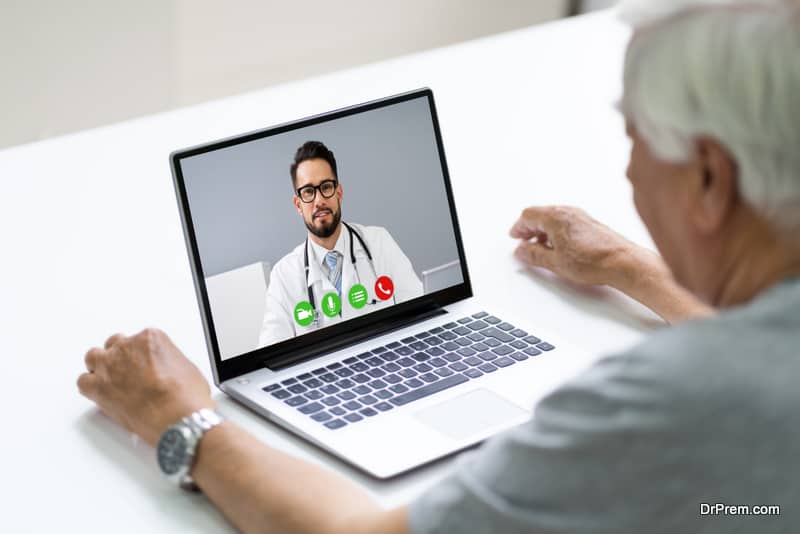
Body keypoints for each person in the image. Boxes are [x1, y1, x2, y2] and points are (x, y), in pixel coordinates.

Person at [77, 1, 800, 532]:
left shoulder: (658, 408)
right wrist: (630, 267)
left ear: (709, 180)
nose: (631, 170)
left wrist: (185, 422)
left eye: (635, 136)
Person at [259, 140, 423, 347]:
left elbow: (420, 313)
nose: (319, 200)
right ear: (298, 204)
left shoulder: (379, 242)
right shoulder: (284, 275)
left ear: (339, 193)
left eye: (326, 187)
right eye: (308, 191)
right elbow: (271, 350)